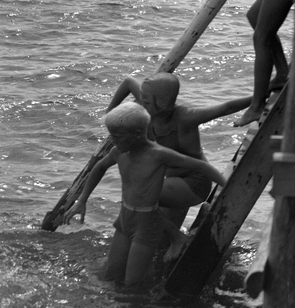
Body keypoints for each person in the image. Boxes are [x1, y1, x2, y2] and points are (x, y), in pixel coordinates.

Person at [64, 103, 227, 286]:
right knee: (111, 274)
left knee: (132, 282)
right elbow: (99, 167)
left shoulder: (158, 154)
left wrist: (226, 186)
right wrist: (82, 200)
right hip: (125, 218)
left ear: (137, 134)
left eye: (117, 136)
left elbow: (201, 166)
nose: (113, 140)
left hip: (146, 224)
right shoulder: (118, 151)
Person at [105, 72, 250, 228]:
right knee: (160, 239)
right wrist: (110, 112)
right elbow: (128, 82)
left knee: (139, 194)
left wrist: (262, 96)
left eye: (146, 102)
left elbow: (227, 108)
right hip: (172, 181)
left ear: (164, 104)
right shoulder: (150, 107)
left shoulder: (185, 118)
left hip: (194, 184)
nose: (141, 105)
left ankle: (176, 239)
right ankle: (172, 242)